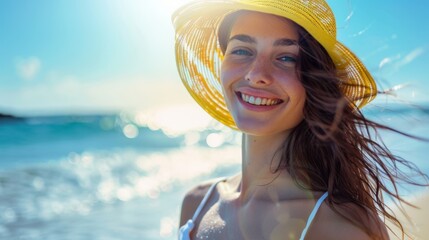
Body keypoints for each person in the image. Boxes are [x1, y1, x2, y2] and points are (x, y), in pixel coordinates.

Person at [172, 0, 428, 239]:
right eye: (241, 50)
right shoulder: (196, 204)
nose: (256, 74)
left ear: (314, 82)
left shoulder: (339, 227)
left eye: (286, 57)